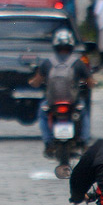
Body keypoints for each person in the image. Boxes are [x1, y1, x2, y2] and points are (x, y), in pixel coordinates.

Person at [29, 28, 93, 157]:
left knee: (42, 114)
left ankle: (48, 143)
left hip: (52, 102)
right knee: (84, 113)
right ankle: (85, 143)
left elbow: (36, 82)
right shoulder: (77, 62)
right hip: (72, 101)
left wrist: (31, 82)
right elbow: (90, 82)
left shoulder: (48, 63)